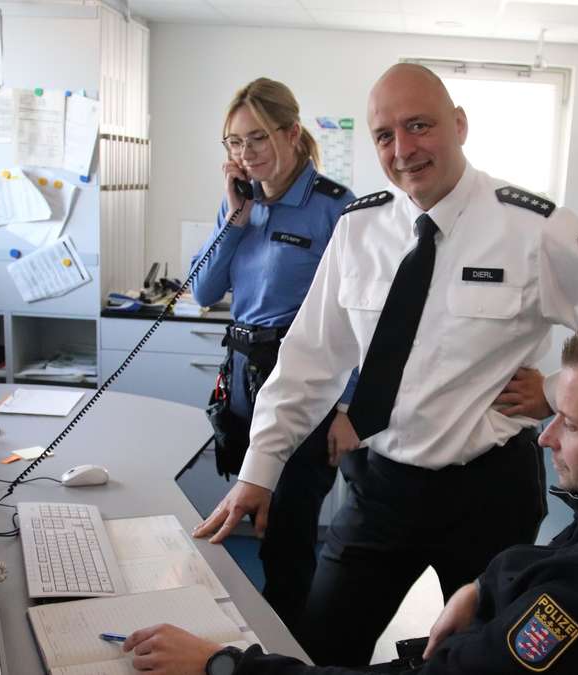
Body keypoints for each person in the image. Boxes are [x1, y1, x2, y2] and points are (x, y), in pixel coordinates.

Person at [194, 63, 578, 666]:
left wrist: (558, 392)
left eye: (419, 126)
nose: (403, 149)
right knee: (321, 647)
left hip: (488, 494)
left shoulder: (534, 228)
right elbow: (308, 361)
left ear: (459, 126)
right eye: (384, 135)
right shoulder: (358, 229)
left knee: (484, 661)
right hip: (380, 487)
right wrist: (258, 472)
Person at [123, 320, 578, 674]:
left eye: (569, 422)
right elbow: (558, 555)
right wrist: (481, 587)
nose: (545, 437)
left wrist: (223, 666)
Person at [190, 77, 359, 628]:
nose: (246, 153)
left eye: (258, 138)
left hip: (305, 385)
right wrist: (234, 219)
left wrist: (348, 407)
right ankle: (260, 632)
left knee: (288, 532)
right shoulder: (242, 204)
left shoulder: (336, 208)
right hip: (243, 376)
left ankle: (289, 649)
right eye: (234, 142)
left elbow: (363, 319)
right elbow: (203, 291)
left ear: (291, 133)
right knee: (251, 515)